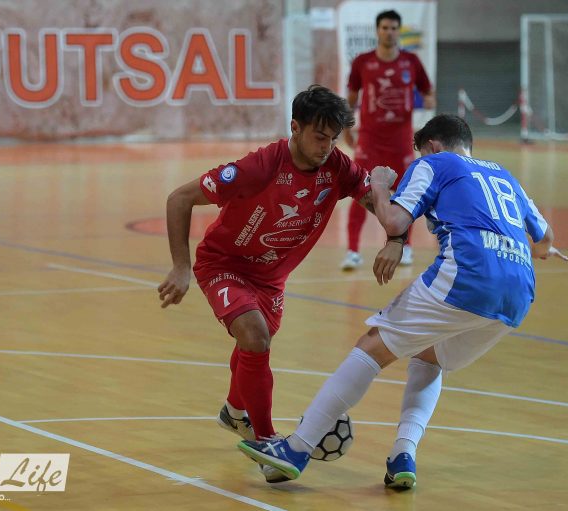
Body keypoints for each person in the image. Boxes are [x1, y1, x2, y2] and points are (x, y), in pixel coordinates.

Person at [238, 114, 568, 488]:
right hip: (519, 291)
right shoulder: (505, 176)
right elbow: (545, 238)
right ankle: (403, 455)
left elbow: (395, 222)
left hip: (468, 275)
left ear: (432, 146)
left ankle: (297, 448)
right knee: (430, 356)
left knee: (372, 347)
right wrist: (538, 252)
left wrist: (380, 186)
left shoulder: (434, 163)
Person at [157, 85, 396, 482]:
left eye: (334, 138)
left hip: (271, 279)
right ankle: (269, 443)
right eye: (319, 137)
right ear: (295, 128)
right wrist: (180, 267)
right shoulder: (258, 168)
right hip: (223, 265)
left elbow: (374, 200)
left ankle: (235, 412)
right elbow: (178, 198)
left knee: (253, 343)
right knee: (255, 337)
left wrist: (394, 233)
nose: (327, 147)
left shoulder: (337, 166)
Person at [341, 9, 435, 271]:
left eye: (394, 28)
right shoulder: (362, 62)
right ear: (377, 30)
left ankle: (405, 246)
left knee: (406, 194)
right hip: (370, 141)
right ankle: (352, 251)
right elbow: (351, 98)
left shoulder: (411, 62)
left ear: (398, 31)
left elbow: (429, 94)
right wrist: (348, 126)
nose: (389, 32)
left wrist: (421, 102)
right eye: (385, 28)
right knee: (361, 191)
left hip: (401, 141)